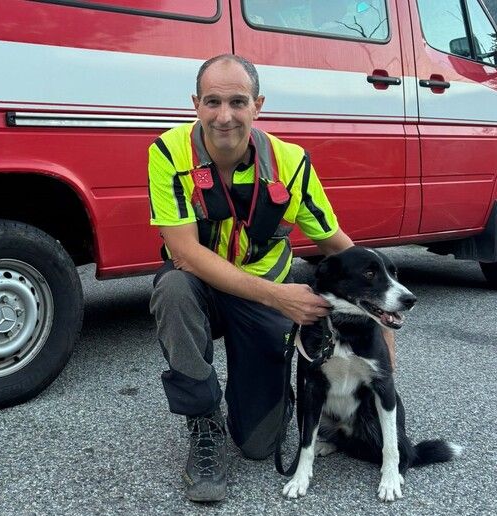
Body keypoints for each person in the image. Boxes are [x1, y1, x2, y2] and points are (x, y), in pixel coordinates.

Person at [147, 54, 358, 502]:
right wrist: (282, 298)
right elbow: (183, 252)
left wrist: (383, 319)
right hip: (215, 290)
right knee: (172, 289)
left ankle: (263, 405)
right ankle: (204, 422)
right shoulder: (167, 153)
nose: (225, 116)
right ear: (195, 105)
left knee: (259, 447)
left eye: (238, 102)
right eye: (213, 101)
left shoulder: (292, 163)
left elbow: (339, 246)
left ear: (258, 105)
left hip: (262, 303)